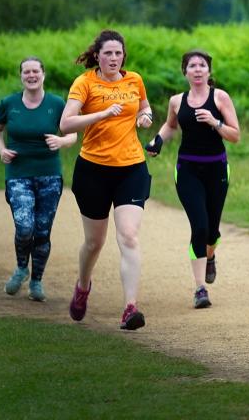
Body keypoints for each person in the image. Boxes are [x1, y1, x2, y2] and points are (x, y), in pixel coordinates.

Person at [60, 29, 154, 330]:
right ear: (97, 55)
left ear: (124, 54)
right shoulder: (85, 83)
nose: (114, 58)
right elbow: (66, 123)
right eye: (108, 53)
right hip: (93, 170)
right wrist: (100, 114)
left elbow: (144, 106)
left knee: (128, 236)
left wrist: (145, 117)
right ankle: (83, 285)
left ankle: (130, 308)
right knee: (94, 242)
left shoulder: (134, 80)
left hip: (131, 168)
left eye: (119, 52)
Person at [144, 49, 241, 309]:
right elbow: (171, 126)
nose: (197, 70)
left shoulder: (220, 98)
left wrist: (214, 122)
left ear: (209, 71)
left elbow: (235, 135)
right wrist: (158, 140)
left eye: (202, 65)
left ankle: (210, 256)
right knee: (198, 227)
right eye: (191, 66)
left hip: (217, 169)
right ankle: (200, 288)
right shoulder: (177, 101)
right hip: (187, 170)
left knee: (212, 231)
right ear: (184, 71)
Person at [0, 57, 77, 302]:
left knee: (42, 232)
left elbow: (72, 135)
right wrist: (1, 150)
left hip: (49, 174)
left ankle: (36, 281)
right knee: (25, 226)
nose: (31, 75)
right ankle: (21, 268)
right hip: (18, 174)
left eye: (35, 71)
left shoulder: (56, 103)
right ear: (21, 76)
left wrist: (61, 141)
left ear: (43, 74)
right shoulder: (9, 103)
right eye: (26, 72)